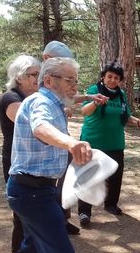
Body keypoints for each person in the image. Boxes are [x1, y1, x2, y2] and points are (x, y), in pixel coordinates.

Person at [0, 57, 92, 253]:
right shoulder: (41, 102)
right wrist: (70, 142)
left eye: (76, 80)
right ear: (49, 80)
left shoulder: (54, 104)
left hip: (35, 190)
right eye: (69, 80)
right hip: (31, 192)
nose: (75, 85)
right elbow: (40, 128)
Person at [41, 40, 108, 235]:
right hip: (48, 143)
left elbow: (67, 97)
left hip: (62, 138)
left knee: (65, 181)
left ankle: (62, 219)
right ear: (46, 58)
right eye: (61, 61)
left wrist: (88, 97)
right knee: (50, 186)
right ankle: (53, 224)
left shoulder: (57, 77)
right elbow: (41, 115)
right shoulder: (40, 78)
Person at [77, 61, 140, 226]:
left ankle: (111, 204)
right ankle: (84, 212)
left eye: (116, 77)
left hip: (115, 142)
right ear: (103, 77)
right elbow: (84, 111)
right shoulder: (94, 91)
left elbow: (126, 116)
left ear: (120, 80)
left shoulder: (121, 95)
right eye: (109, 76)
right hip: (93, 142)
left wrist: (139, 122)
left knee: (115, 176)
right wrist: (95, 102)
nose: (112, 80)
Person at [0, 55, 41, 253]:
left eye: (38, 74)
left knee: (33, 215)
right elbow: (29, 123)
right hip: (16, 163)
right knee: (22, 216)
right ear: (19, 77)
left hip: (34, 162)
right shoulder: (11, 98)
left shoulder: (34, 97)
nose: (37, 78)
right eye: (33, 74)